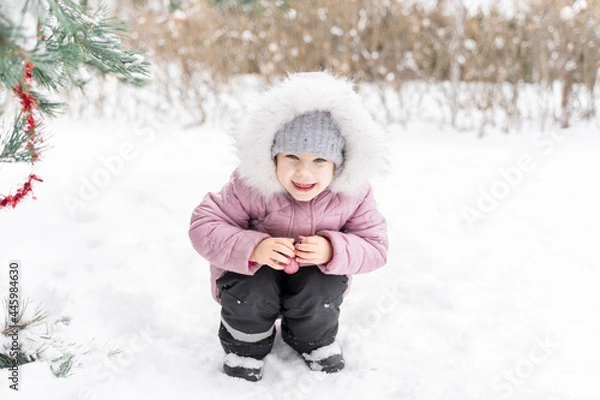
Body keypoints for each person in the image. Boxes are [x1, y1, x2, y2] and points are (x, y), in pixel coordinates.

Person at [188, 71, 389, 382]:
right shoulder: (251, 186)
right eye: (292, 156)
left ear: (338, 164)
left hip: (313, 281)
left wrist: (332, 249)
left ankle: (311, 340)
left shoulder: (353, 194)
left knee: (321, 287)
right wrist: (253, 247)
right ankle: (246, 345)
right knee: (249, 287)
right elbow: (205, 224)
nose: (304, 172)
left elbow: (375, 246)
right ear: (274, 156)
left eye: (319, 160)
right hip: (255, 276)